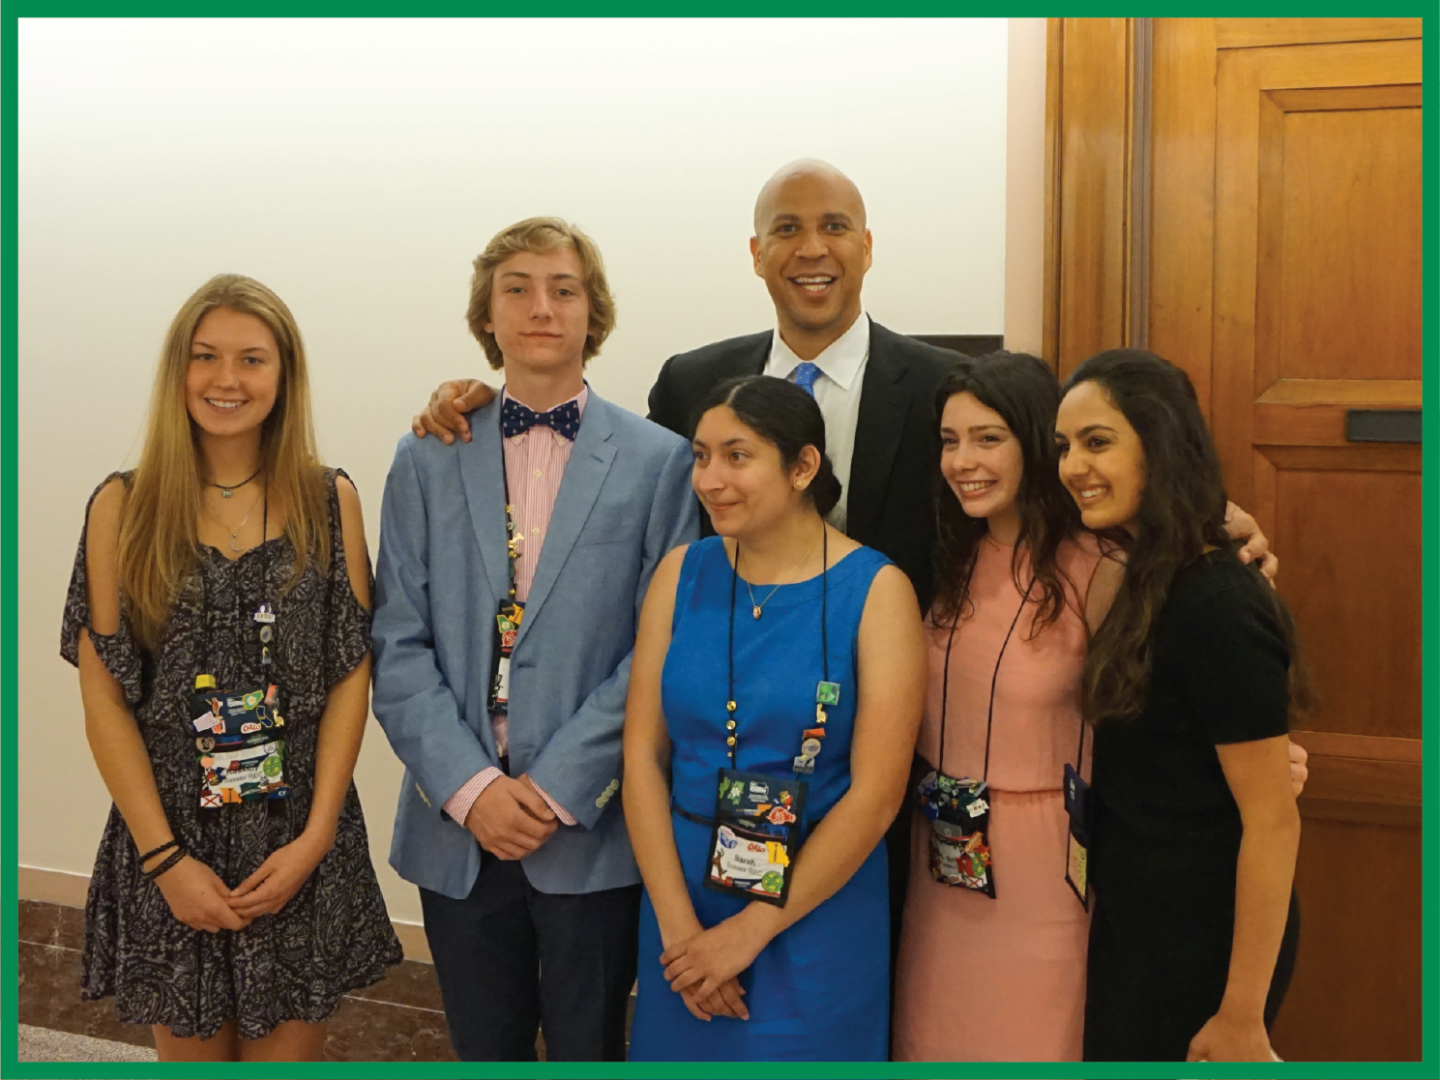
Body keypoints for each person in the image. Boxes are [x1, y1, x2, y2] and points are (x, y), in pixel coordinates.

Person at [404, 161, 1280, 977]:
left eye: (834, 226)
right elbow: (606, 475)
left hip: (906, 770)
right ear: (756, 253)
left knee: (889, 989)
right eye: (786, 228)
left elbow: (1068, 480)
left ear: (868, 245)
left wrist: (1207, 524)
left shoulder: (950, 383)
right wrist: (468, 397)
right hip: (724, 763)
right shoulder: (691, 381)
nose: (811, 248)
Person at [369, 217, 699, 1062]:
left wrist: (554, 788)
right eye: (515, 287)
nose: (540, 306)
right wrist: (472, 787)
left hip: (590, 826)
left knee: (592, 1046)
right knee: (486, 1048)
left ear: (595, 313)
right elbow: (397, 642)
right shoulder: (427, 453)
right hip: (458, 827)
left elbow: (659, 650)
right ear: (487, 315)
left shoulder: (662, 463)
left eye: (563, 288)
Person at [61, 274, 402, 1062]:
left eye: (252, 360)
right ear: (177, 370)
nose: (227, 380)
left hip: (297, 837)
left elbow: (352, 669)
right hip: (172, 837)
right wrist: (165, 862)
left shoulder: (329, 499)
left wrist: (316, 838)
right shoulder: (123, 504)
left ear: (283, 377)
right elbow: (104, 697)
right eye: (206, 357)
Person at [622, 375, 926, 1061]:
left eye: (737, 456)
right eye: (701, 456)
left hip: (817, 910)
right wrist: (678, 931)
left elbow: (877, 796)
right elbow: (642, 756)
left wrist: (747, 935)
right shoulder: (681, 573)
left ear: (802, 467)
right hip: (684, 897)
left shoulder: (877, 590)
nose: (711, 478)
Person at [1055, 349, 1305, 1063]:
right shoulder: (1145, 576)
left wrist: (1241, 1014)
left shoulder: (1217, 599)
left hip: (1205, 945)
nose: (1074, 466)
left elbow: (1271, 820)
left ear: (1159, 444)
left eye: (1098, 442)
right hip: (1140, 923)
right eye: (1066, 447)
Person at [892, 353, 1118, 1062]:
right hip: (943, 850)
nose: (963, 460)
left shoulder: (1102, 565)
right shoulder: (946, 558)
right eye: (951, 441)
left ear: (1034, 441)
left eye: (987, 438)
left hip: (1046, 864)